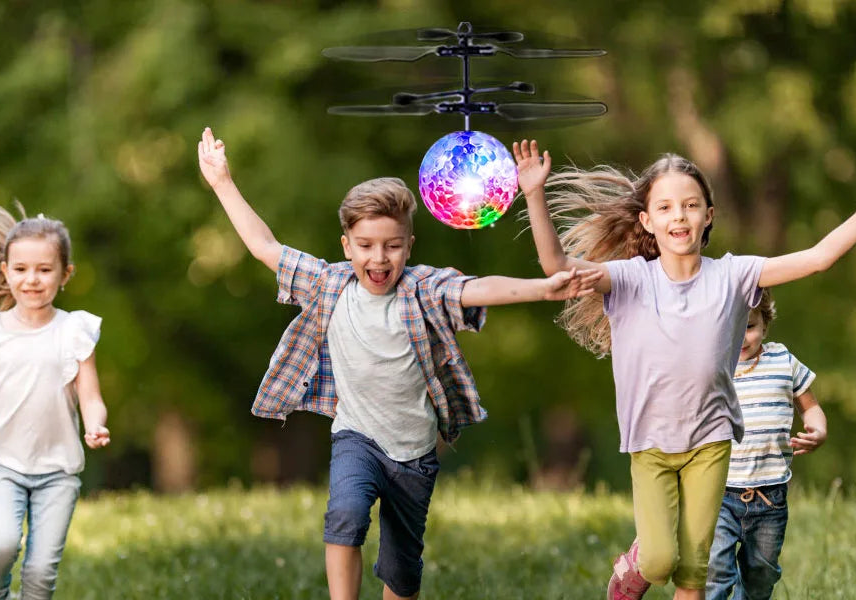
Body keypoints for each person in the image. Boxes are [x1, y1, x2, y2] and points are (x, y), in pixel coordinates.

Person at [197, 127, 599, 600]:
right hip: (356, 436)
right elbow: (266, 248)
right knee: (344, 514)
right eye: (366, 245)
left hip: (414, 453)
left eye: (391, 245)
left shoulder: (421, 289)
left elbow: (477, 287)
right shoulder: (329, 285)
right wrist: (223, 183)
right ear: (347, 246)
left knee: (402, 572)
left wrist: (541, 288)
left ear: (409, 246)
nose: (379, 257)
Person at [513, 138, 856, 600]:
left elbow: (818, 258)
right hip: (651, 444)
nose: (678, 215)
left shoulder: (734, 275)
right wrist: (534, 193)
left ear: (709, 215)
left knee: (694, 576)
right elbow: (555, 265)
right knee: (660, 560)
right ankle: (632, 568)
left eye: (690, 205)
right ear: (647, 221)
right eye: (665, 207)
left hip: (711, 442)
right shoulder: (629, 278)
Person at [0, 204, 110, 600]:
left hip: (58, 470)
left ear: (65, 274)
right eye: (20, 269)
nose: (31, 279)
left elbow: (91, 397)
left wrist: (94, 425)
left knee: (40, 573)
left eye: (44, 270)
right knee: (1, 546)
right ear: (5, 272)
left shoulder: (75, 331)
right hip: (4, 465)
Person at [705, 289, 826, 600]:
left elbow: (809, 406)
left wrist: (818, 429)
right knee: (716, 571)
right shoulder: (712, 368)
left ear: (765, 325)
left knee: (761, 576)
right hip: (721, 492)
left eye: (749, 327)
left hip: (770, 497)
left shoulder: (782, 360)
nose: (741, 337)